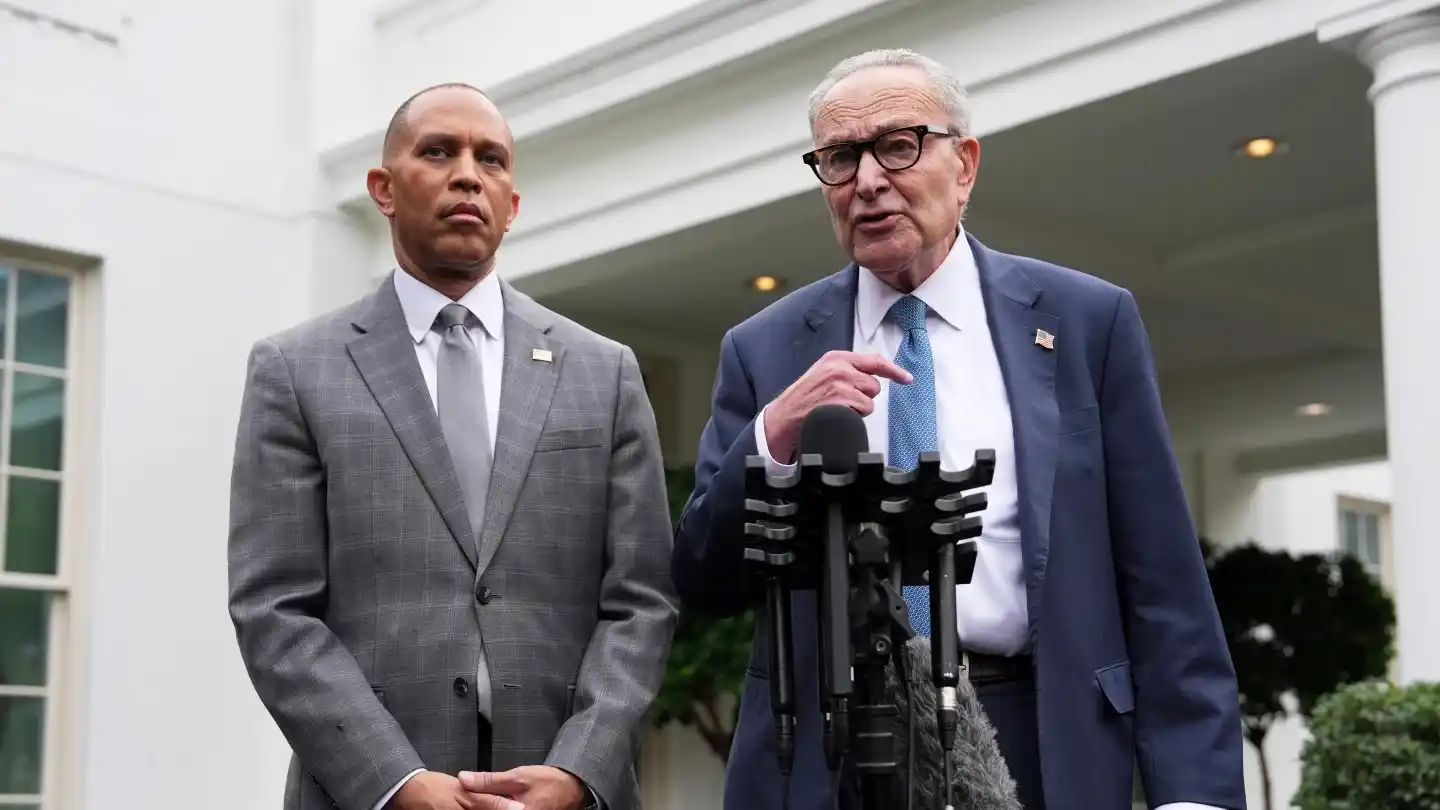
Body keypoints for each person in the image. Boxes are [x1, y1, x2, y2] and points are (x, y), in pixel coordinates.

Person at [672, 50, 1246, 810]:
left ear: (965, 163)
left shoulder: (1084, 323)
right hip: (830, 748)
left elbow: (1163, 581)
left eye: (899, 145)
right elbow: (704, 578)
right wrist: (772, 435)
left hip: (1036, 730)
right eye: (840, 159)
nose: (869, 180)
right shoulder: (767, 347)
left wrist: (1194, 795)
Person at [228, 83, 679, 810]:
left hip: (565, 792)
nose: (467, 173)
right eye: (437, 152)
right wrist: (393, 782)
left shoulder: (606, 372)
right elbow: (274, 608)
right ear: (383, 188)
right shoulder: (294, 370)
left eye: (491, 160)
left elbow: (643, 603)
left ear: (512, 203)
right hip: (365, 794)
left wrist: (578, 769)